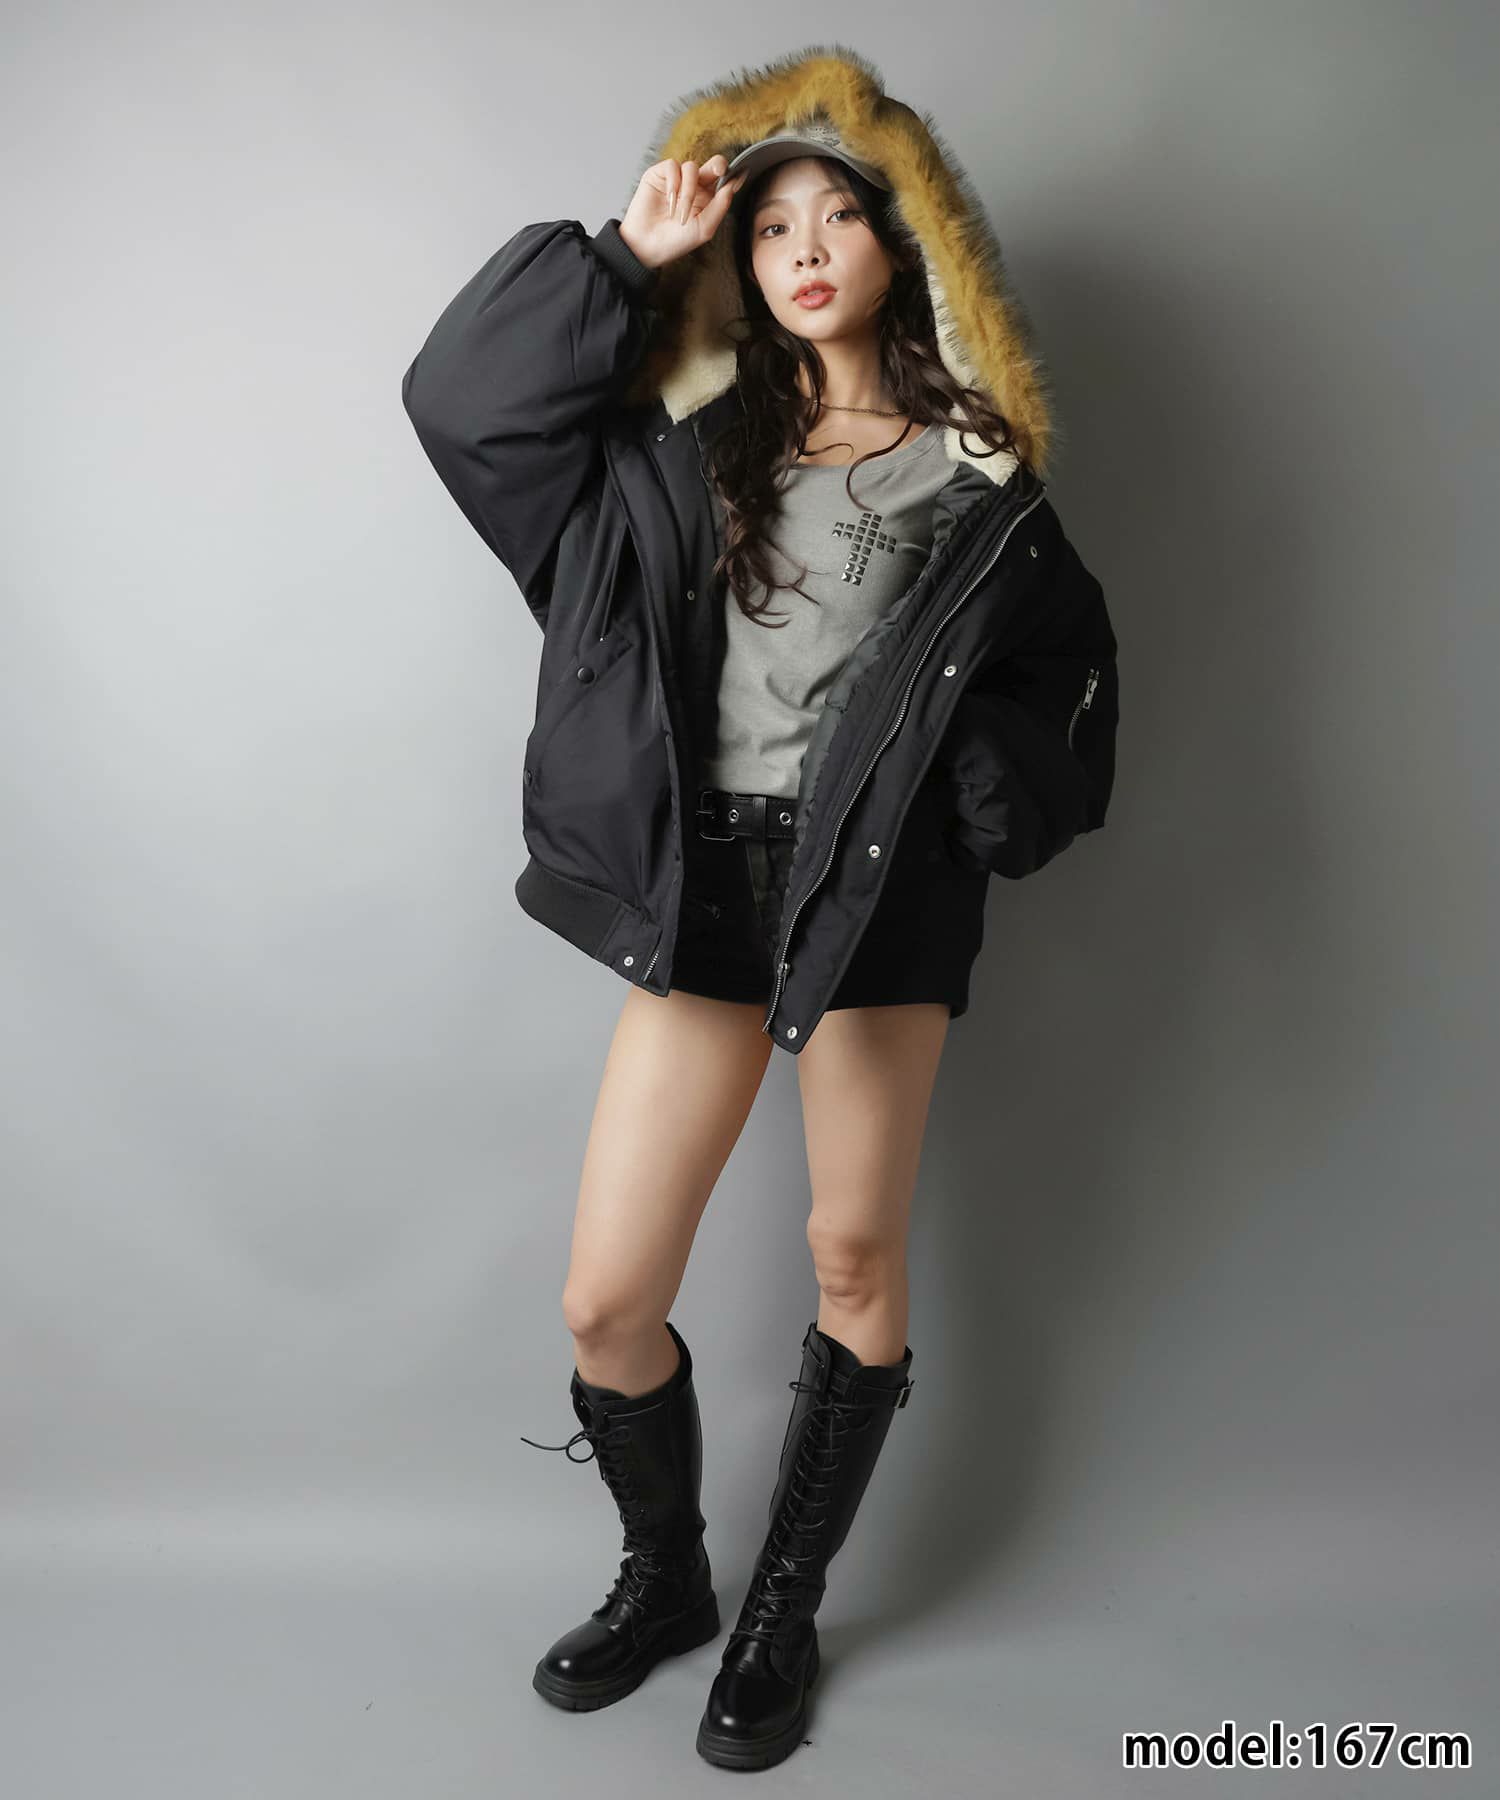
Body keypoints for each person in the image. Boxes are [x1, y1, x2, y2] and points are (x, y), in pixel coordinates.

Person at [401, 44, 1119, 1773]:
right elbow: (461, 404)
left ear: (898, 243)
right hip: (701, 882)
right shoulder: (675, 453)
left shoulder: (977, 471)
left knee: (853, 1252)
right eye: (772, 225)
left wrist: (972, 776)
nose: (803, 248)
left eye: (835, 218)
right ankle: (669, 1580)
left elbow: (1070, 683)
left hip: (874, 893)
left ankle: (780, 1617)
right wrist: (627, 256)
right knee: (605, 1299)